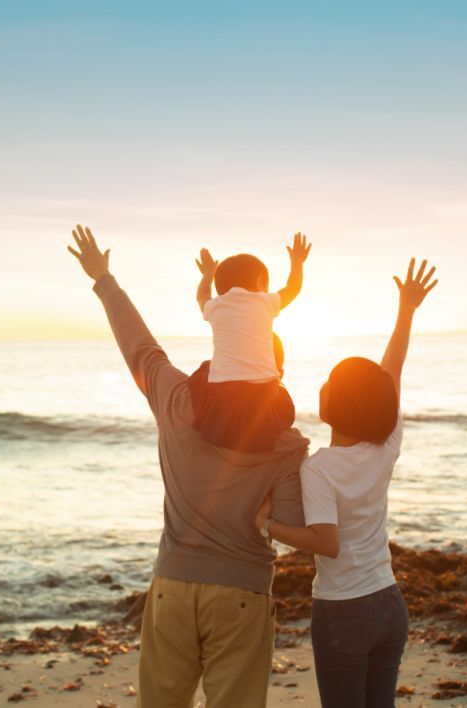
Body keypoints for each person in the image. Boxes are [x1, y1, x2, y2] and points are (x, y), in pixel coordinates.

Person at [67, 224, 309, 708]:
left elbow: (140, 347)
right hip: (241, 592)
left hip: (173, 587)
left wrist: (104, 279)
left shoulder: (176, 400)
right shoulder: (286, 444)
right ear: (274, 369)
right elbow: (289, 526)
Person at [255, 258, 438, 708]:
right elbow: (391, 370)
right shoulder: (386, 444)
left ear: (336, 402)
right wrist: (407, 310)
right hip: (389, 603)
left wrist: (267, 525)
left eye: (331, 382)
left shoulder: (319, 468)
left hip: (344, 611)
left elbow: (326, 542)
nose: (323, 385)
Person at [191, 234, 311, 452]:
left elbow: (202, 295)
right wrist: (297, 262)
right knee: (278, 384)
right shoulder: (264, 301)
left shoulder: (215, 306)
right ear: (260, 282)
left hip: (224, 397)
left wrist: (207, 274)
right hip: (264, 397)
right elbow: (293, 288)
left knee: (203, 371)